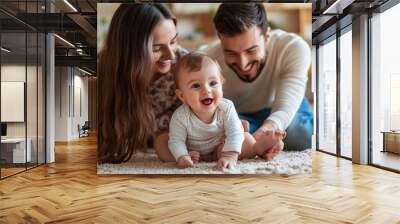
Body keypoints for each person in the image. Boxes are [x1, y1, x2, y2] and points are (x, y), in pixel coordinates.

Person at [205, 3, 313, 160]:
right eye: (231, 53)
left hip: (286, 108)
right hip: (241, 117)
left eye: (251, 50)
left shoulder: (292, 47)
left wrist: (269, 129)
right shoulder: (207, 60)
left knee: (301, 135)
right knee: (214, 136)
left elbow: (285, 107)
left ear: (267, 36)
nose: (243, 64)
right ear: (220, 40)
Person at [97, 3, 187, 163]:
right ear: (130, 50)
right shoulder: (103, 71)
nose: (171, 55)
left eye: (173, 41)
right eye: (156, 48)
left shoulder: (186, 66)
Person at [165, 52, 286, 170]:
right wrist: (182, 156)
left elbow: (235, 133)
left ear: (221, 85)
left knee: (245, 137)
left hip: (221, 147)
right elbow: (177, 140)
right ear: (181, 96)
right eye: (196, 86)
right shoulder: (180, 116)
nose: (206, 90)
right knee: (166, 147)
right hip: (194, 153)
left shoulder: (226, 108)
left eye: (213, 83)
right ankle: (185, 157)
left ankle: (258, 147)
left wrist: (229, 156)